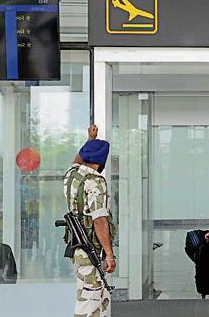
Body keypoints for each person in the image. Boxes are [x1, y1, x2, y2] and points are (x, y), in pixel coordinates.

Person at [63, 125, 116, 317]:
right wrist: (109, 254)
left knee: (98, 298)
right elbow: (99, 220)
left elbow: (78, 160)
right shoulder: (96, 181)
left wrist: (89, 140)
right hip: (90, 247)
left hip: (77, 246)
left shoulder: (72, 175)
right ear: (102, 161)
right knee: (89, 300)